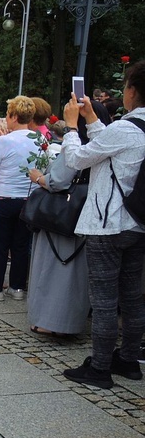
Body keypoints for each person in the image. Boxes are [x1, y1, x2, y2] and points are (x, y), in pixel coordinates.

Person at [61, 61, 145, 388]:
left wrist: (71, 127)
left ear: (132, 91)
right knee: (133, 297)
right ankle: (128, 361)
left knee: (105, 300)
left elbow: (77, 159)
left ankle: (99, 368)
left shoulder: (126, 128)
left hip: (107, 223)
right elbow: (109, 149)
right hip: (138, 223)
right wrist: (92, 119)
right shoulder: (130, 129)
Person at [26, 100, 111, 337]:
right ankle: (72, 321)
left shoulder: (76, 147)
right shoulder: (104, 145)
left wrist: (39, 178)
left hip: (62, 215)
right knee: (77, 272)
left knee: (55, 268)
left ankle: (50, 322)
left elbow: (60, 179)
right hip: (89, 212)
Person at [0, 96, 38, 301]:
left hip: (3, 197)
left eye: (7, 114)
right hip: (28, 198)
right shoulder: (40, 139)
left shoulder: (5, 141)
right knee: (21, 245)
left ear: (14, 116)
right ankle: (17, 287)